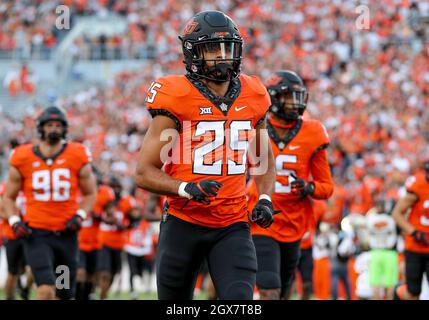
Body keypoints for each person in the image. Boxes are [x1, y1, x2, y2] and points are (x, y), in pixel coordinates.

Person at [134, 10, 277, 300]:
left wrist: (264, 198)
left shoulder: (255, 94)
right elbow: (144, 172)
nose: (223, 57)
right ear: (192, 54)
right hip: (183, 222)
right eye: (213, 49)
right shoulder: (176, 96)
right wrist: (185, 188)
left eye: (228, 48)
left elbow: (263, 159)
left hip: (232, 224)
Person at [250, 70, 334, 300]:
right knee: (269, 289)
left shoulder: (313, 131)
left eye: (298, 97)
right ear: (274, 98)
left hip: (294, 224)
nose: (294, 103)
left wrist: (308, 188)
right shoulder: (255, 127)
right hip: (260, 219)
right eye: (289, 97)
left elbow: (327, 186)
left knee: (285, 291)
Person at [2, 106, 97, 300]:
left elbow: (90, 193)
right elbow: (8, 196)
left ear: (64, 129)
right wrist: (14, 220)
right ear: (41, 128)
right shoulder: (22, 156)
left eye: (57, 125)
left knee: (63, 293)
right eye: (49, 125)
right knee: (45, 289)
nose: (53, 129)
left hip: (66, 235)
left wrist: (80, 216)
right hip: (37, 235)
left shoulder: (77, 154)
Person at [392, 157, 429, 300]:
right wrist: (414, 232)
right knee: (413, 291)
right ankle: (398, 292)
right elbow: (397, 213)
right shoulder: (418, 185)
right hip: (415, 247)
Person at [97, 176, 140, 299]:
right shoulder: (103, 200)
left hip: (119, 244)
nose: (115, 190)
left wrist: (127, 224)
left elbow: (135, 217)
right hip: (104, 242)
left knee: (114, 273)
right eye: (113, 188)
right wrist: (108, 219)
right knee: (105, 273)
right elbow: (96, 214)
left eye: (117, 187)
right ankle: (101, 295)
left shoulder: (126, 202)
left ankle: (103, 294)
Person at [76, 168, 115, 300]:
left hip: (96, 241)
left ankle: (86, 296)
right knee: (80, 273)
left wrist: (100, 217)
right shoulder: (75, 190)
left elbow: (112, 218)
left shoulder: (104, 193)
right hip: (78, 240)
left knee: (92, 275)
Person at [366, 201, 398, 300]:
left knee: (375, 283)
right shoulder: (391, 219)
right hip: (389, 252)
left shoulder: (370, 219)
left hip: (376, 252)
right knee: (390, 283)